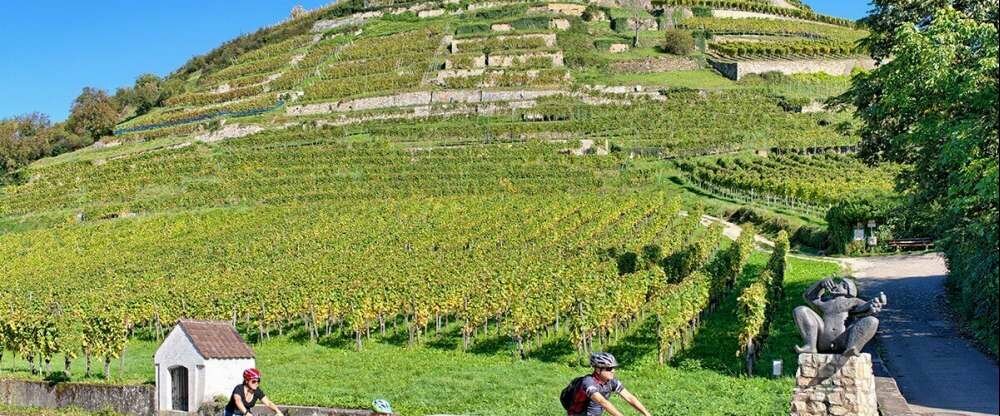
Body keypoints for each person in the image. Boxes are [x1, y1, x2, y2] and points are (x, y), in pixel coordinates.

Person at [563, 352, 652, 416]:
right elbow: (603, 402)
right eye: (609, 368)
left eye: (613, 367)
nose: (613, 371)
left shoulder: (611, 382)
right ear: (598, 370)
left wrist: (646, 413)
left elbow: (629, 397)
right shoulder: (588, 382)